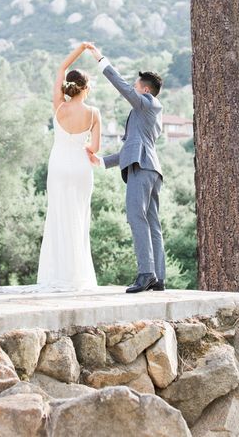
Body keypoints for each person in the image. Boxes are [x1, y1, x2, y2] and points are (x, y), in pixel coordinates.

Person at [86, 44, 165, 294]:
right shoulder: (151, 114)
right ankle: (158, 277)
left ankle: (146, 273)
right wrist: (103, 161)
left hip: (141, 168)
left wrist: (101, 60)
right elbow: (132, 146)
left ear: (144, 89)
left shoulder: (145, 104)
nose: (133, 87)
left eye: (136, 85)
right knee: (151, 221)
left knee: (135, 217)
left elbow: (120, 85)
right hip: (150, 167)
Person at [36, 42, 101, 291]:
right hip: (81, 168)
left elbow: (62, 67)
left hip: (59, 166)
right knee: (79, 218)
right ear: (85, 88)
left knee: (58, 217)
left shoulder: (59, 106)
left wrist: (80, 49)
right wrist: (82, 146)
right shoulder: (94, 113)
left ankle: (59, 274)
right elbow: (93, 148)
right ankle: (78, 275)